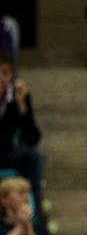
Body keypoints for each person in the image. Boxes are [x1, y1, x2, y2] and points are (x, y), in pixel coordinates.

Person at [0, 51, 43, 212]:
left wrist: (22, 108)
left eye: (4, 73)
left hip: (7, 153)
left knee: (35, 155)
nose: (1, 79)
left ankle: (36, 211)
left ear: (11, 76)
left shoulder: (19, 97)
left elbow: (33, 138)